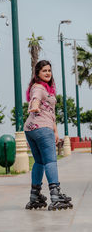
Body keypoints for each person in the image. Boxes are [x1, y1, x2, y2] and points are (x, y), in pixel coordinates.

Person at [24, 60, 73, 211]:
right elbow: (35, 99)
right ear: (37, 73)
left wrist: (56, 131)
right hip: (42, 128)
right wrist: (34, 106)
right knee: (50, 161)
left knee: (39, 162)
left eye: (49, 70)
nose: (47, 73)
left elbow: (50, 113)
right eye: (44, 70)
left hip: (31, 129)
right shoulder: (38, 87)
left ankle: (35, 195)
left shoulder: (47, 89)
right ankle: (55, 195)